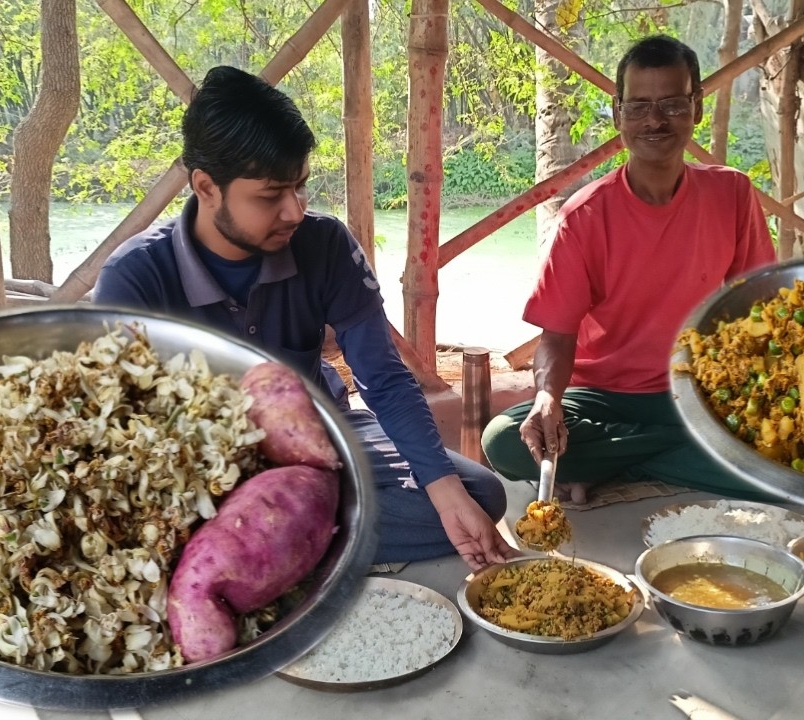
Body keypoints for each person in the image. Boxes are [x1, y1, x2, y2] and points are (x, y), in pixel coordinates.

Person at [94, 65, 514, 571]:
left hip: (327, 437)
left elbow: (382, 380)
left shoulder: (325, 244)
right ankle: (272, 543)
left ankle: (262, 554)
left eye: (300, 188)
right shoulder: (135, 280)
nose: (294, 211)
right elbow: (127, 438)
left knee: (477, 494)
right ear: (206, 187)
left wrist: (444, 492)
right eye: (270, 196)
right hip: (208, 471)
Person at [481, 35, 777, 503]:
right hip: (601, 398)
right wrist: (546, 399)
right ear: (618, 113)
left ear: (697, 107)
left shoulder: (733, 195)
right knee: (503, 441)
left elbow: (757, 310)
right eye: (639, 106)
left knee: (791, 456)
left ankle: (614, 465)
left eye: (672, 104)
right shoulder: (583, 217)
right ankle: (681, 461)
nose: (655, 121)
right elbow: (557, 337)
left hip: (698, 394)